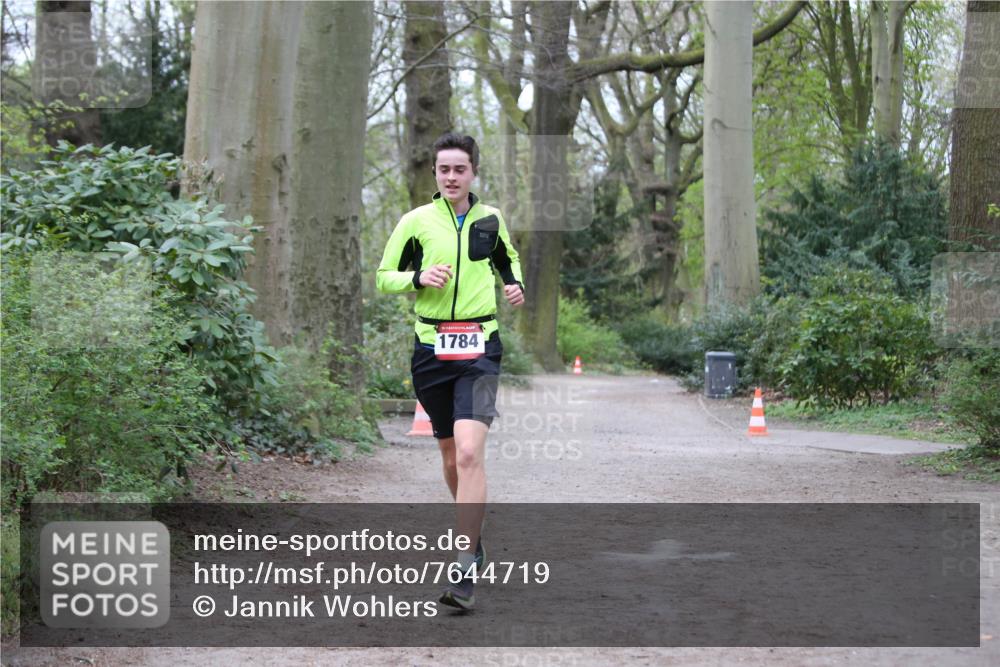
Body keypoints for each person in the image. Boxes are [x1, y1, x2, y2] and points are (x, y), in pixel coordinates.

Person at [375, 132, 524, 610]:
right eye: (444, 170)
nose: (452, 176)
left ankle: (463, 567)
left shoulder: (491, 219)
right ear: (435, 175)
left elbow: (508, 260)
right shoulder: (415, 222)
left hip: (481, 350)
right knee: (447, 455)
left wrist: (515, 285)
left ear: (473, 172)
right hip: (432, 350)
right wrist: (417, 278)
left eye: (460, 169)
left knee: (468, 454)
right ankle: (475, 538)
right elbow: (383, 277)